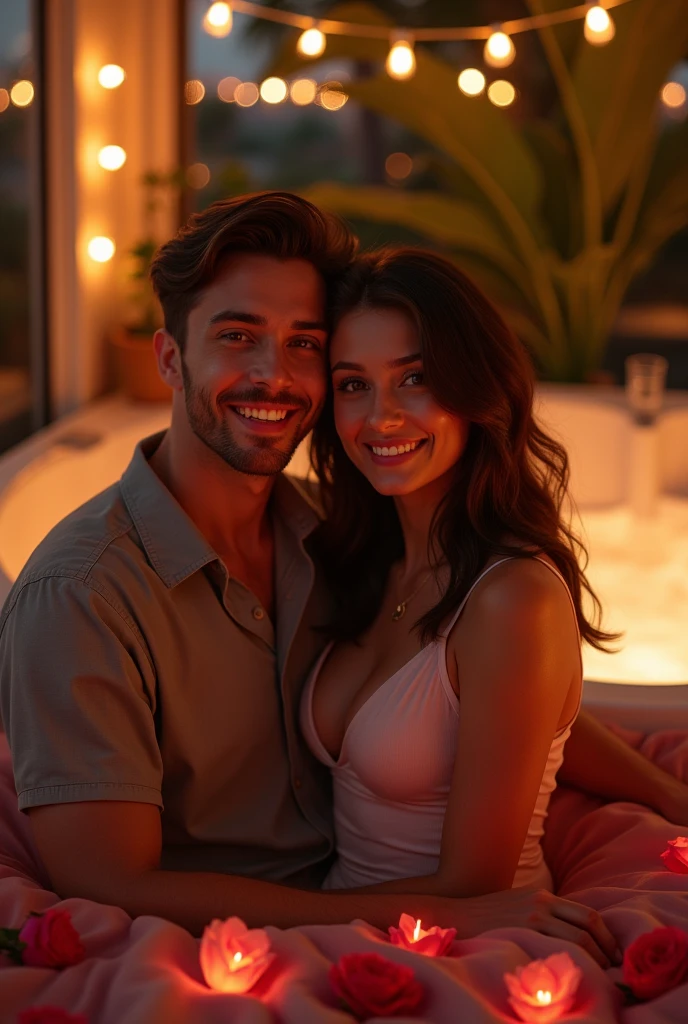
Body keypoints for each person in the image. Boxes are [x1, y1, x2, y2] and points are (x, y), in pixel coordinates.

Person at [0, 193, 683, 968]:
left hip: (377, 909)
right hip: (246, 943)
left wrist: (666, 794)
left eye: (303, 346)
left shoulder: (332, 533)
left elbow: (496, 698)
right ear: (167, 356)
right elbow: (106, 880)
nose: (274, 375)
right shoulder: (80, 597)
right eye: (237, 337)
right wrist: (430, 912)